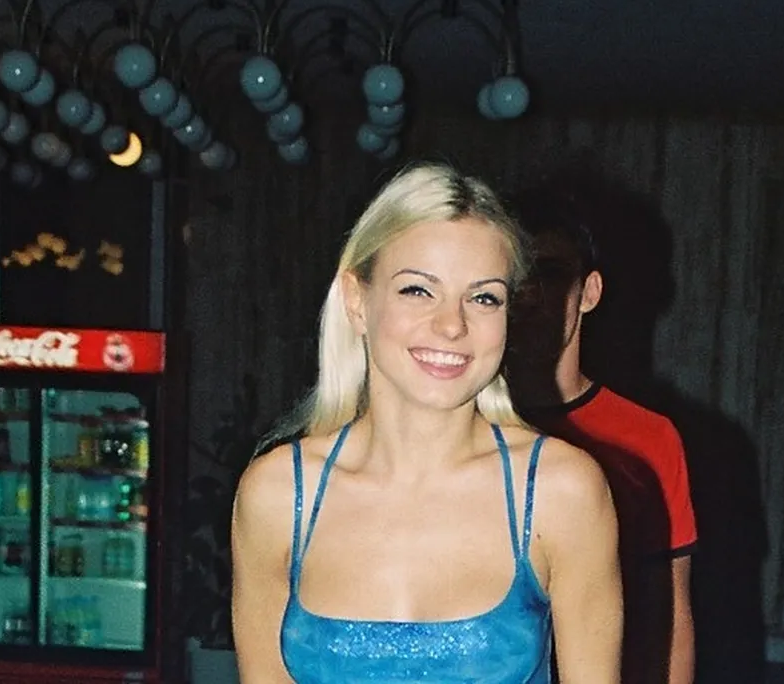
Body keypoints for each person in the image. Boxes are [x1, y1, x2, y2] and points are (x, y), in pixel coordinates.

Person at [230, 163, 622, 683]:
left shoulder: (560, 491)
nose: (452, 324)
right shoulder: (278, 495)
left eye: (483, 297)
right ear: (357, 301)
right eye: (418, 290)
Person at [504, 177, 699, 684]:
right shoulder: (471, 426)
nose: (531, 296)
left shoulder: (648, 438)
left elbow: (669, 613)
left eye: (550, 273)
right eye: (516, 276)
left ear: (588, 291)